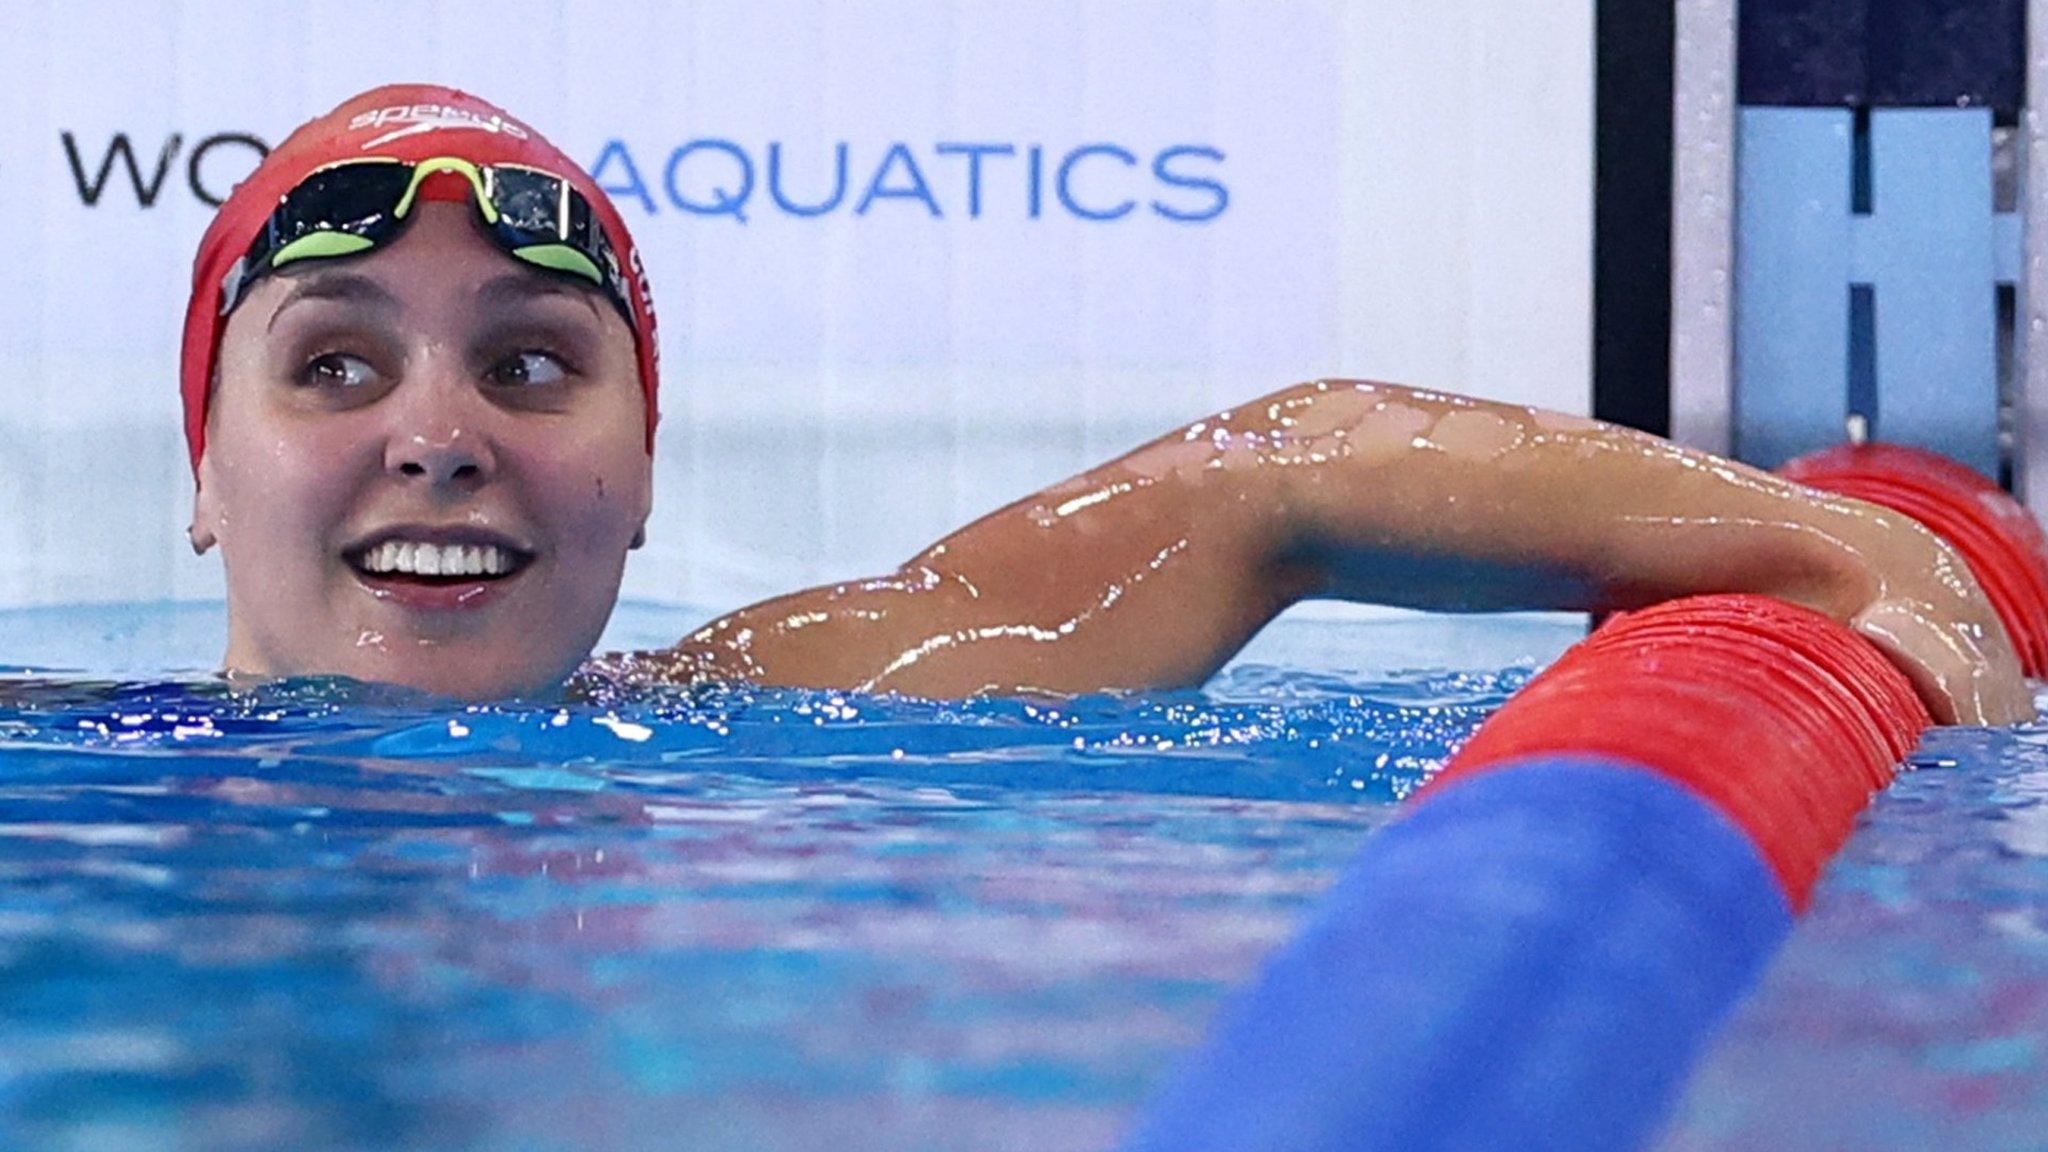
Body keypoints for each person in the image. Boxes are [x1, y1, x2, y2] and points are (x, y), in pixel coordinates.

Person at [182, 84, 2031, 726]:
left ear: (642, 471)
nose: (441, 432)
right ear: (204, 467)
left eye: (531, 365)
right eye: (338, 363)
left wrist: (1856, 548)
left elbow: (1280, 479)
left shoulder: (761, 717)